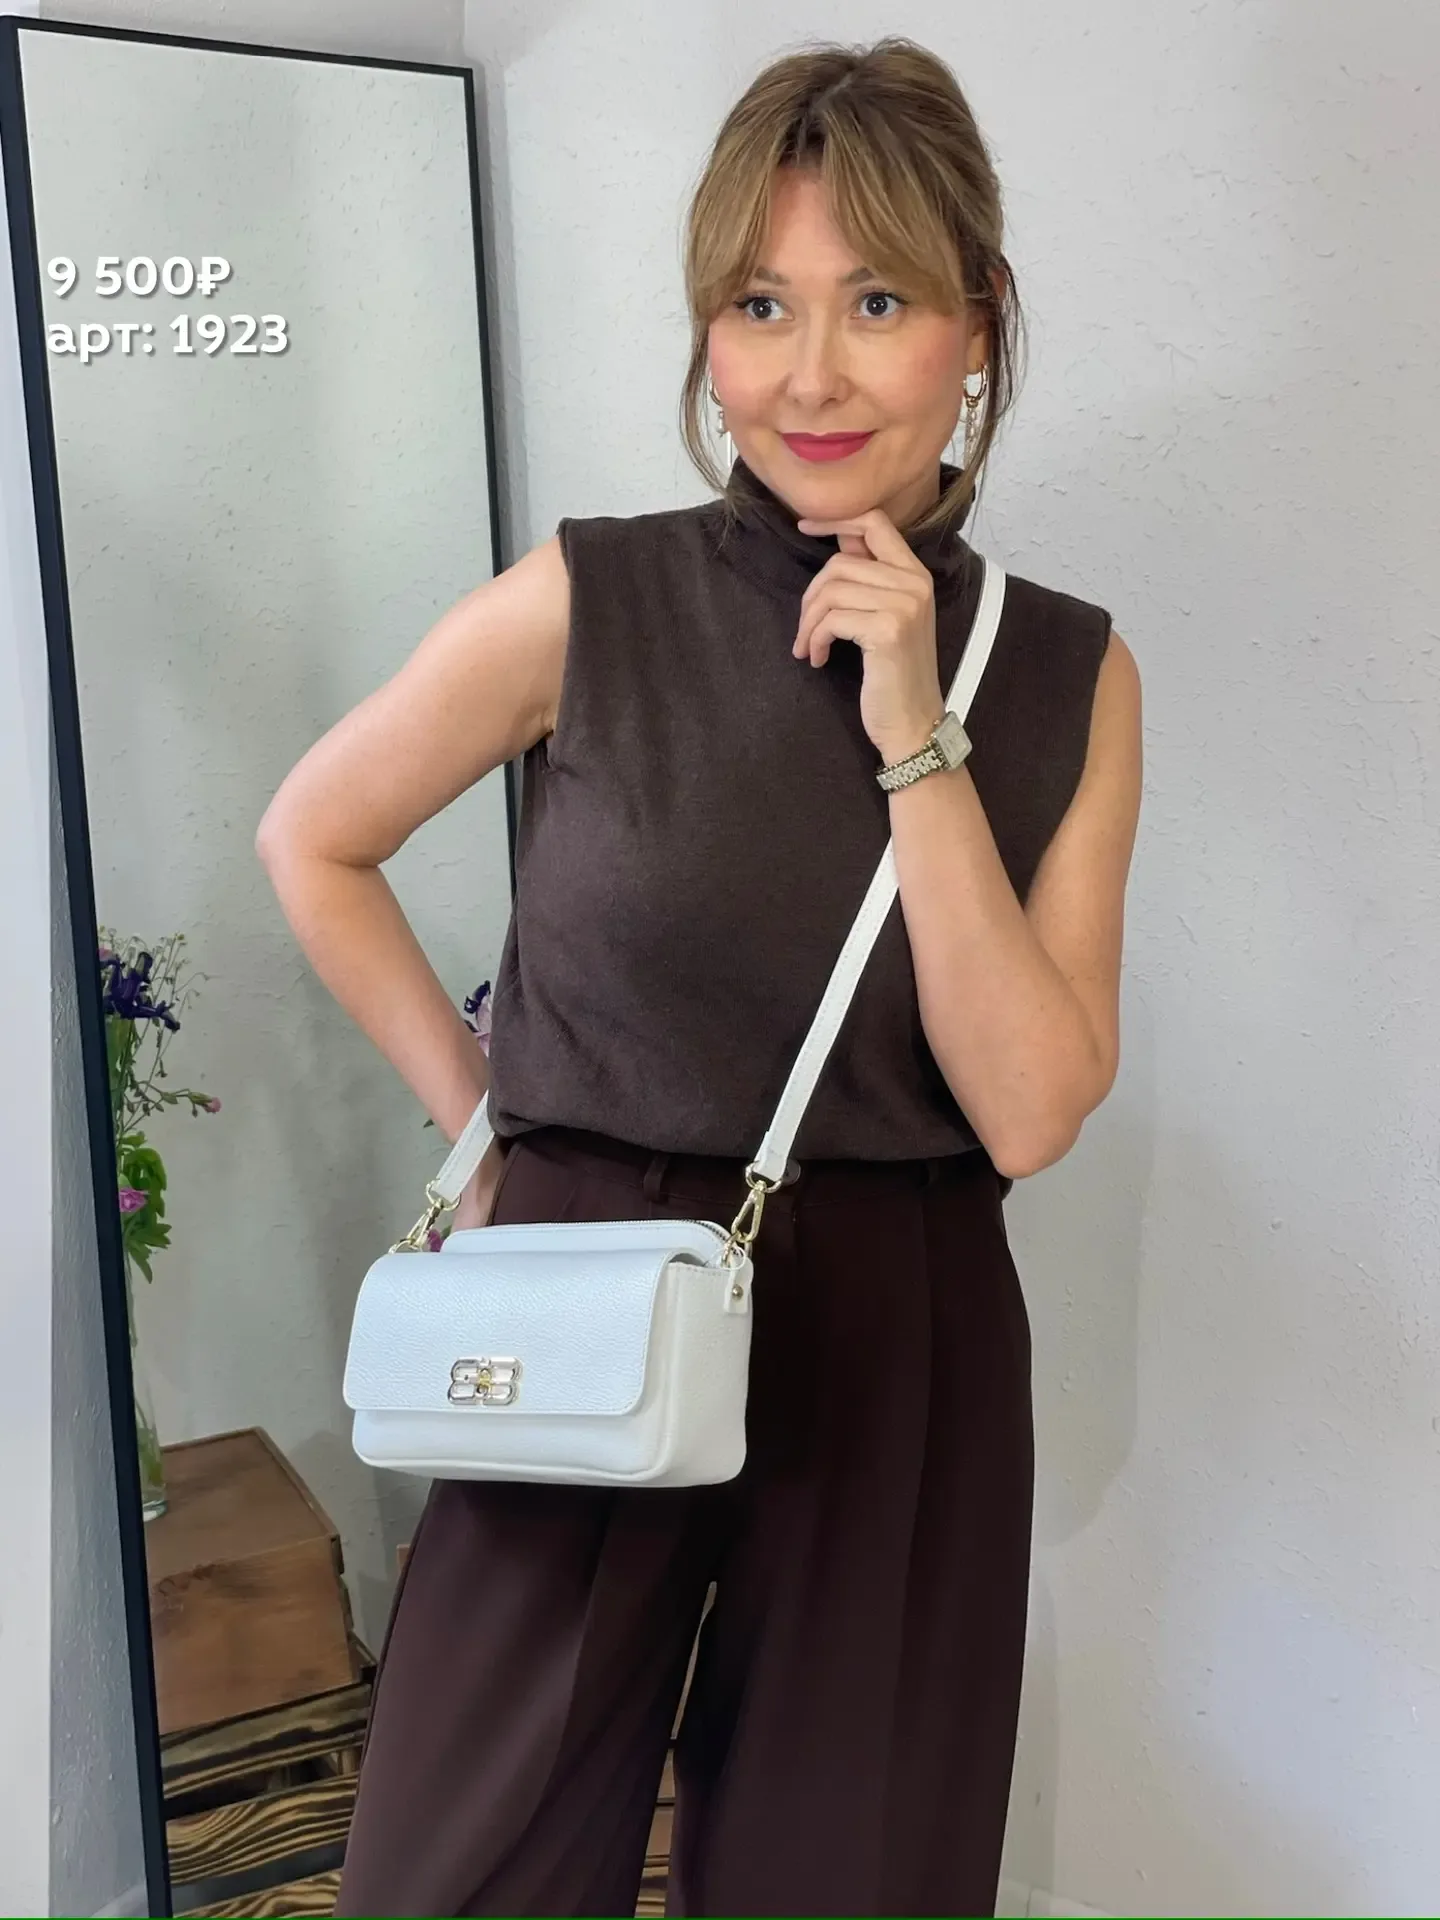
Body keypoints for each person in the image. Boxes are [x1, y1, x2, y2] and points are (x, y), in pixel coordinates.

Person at [257, 33, 1142, 1919]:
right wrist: (481, 1134)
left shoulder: (1064, 668)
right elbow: (313, 838)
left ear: (978, 325)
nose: (809, 373)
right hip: (580, 1270)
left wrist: (915, 735)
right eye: (759, 304)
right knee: (462, 1872)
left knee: (854, 1878)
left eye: (876, 302)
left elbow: (1031, 1109)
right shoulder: (596, 601)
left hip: (904, 1324)